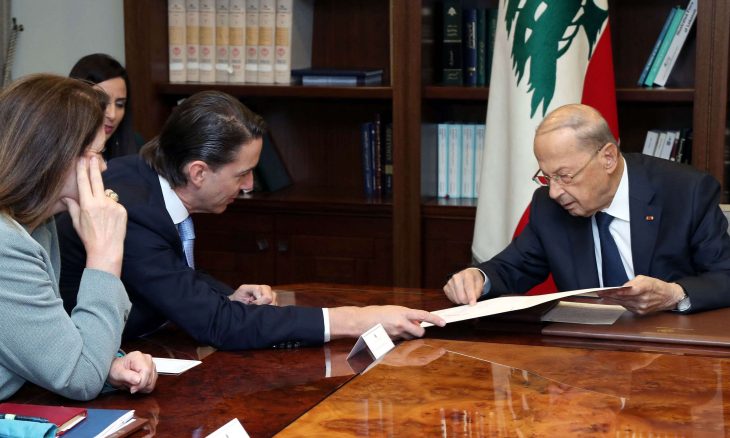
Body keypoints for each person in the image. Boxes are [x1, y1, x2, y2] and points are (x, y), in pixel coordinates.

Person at [58, 90, 445, 350]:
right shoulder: (128, 211)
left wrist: (224, 295)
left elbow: (169, 271)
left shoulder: (145, 174)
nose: (249, 186)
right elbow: (218, 325)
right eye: (242, 174)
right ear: (198, 172)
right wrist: (356, 320)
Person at [444, 103, 730, 315]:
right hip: (585, 351)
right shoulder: (548, 206)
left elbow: (725, 275)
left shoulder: (686, 192)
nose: (554, 192)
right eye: (546, 177)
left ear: (608, 158)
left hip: (670, 345)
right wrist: (477, 278)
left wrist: (674, 294)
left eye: (564, 176)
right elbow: (512, 268)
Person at [0, 74, 157, 400]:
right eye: (96, 154)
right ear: (53, 157)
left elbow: (46, 347)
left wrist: (106, 366)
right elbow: (78, 378)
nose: (103, 168)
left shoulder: (38, 224)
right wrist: (105, 257)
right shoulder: (7, 243)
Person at [69, 53, 138, 160]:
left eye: (120, 104)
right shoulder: (54, 150)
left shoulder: (136, 144)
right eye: (102, 102)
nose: (112, 115)